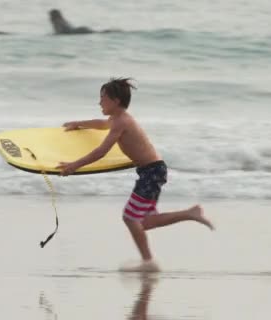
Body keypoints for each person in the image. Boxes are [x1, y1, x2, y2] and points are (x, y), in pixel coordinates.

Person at [56, 77, 214, 272]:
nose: (99, 102)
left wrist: (75, 165)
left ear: (115, 101)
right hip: (152, 171)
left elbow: (101, 151)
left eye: (103, 98)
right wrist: (78, 123)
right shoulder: (117, 119)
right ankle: (190, 214)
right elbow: (101, 124)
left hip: (152, 172)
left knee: (130, 218)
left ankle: (149, 262)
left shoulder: (122, 121)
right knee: (145, 221)